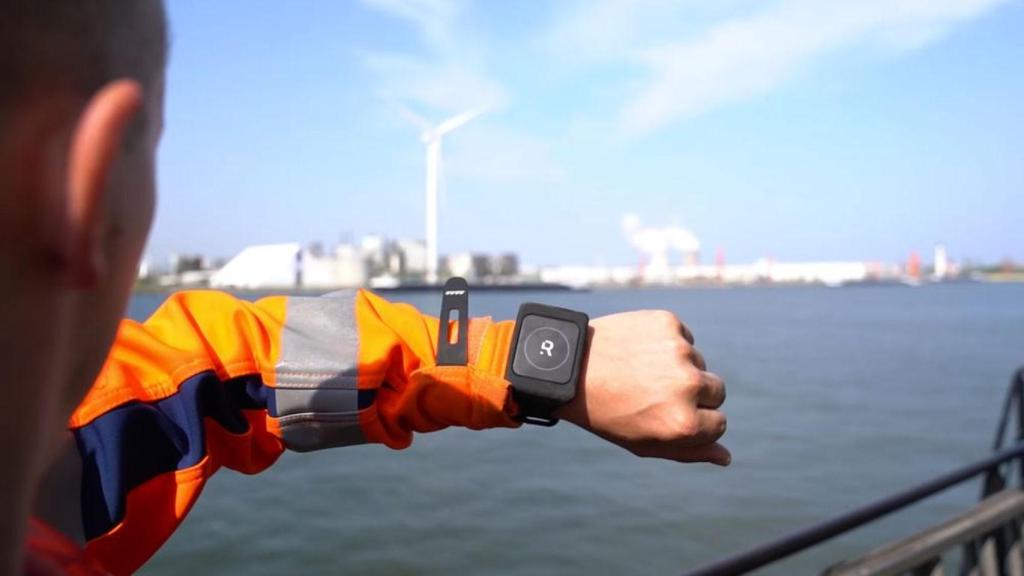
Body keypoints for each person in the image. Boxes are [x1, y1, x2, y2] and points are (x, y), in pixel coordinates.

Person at [0, 1, 729, 574]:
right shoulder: (62, 470)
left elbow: (226, 368)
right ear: (83, 195)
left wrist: (533, 360)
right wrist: (552, 363)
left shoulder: (58, 464)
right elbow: (218, 373)